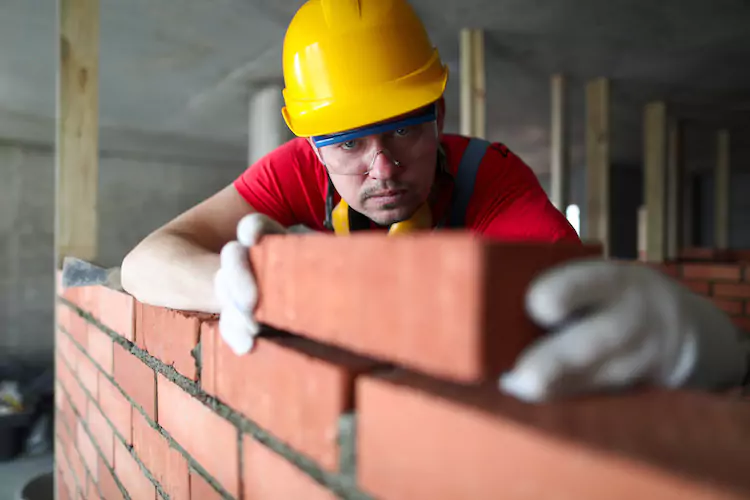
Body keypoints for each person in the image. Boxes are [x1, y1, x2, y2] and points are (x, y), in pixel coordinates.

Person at [121, 0, 749, 402]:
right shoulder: (297, 172)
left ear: (438, 114)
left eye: (403, 129)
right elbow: (145, 262)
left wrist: (712, 356)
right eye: (348, 144)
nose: (383, 166)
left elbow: (575, 311)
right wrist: (236, 285)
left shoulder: (491, 179)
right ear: (309, 143)